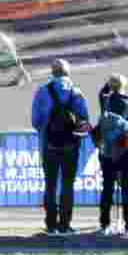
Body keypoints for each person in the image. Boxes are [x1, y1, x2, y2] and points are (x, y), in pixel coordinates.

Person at [31, 59, 89, 236]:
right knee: (67, 184)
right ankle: (65, 224)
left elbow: (35, 121)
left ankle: (50, 224)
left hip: (49, 145)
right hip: (71, 146)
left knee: (50, 184)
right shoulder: (76, 93)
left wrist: (46, 129)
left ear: (53, 72)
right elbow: (84, 121)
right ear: (67, 72)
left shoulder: (42, 92)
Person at [93, 74, 128, 237]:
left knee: (107, 187)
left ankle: (105, 225)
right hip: (126, 150)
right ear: (124, 86)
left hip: (107, 150)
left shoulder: (105, 102)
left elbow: (102, 93)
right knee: (126, 189)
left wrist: (108, 85)